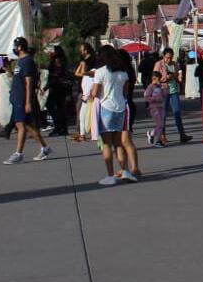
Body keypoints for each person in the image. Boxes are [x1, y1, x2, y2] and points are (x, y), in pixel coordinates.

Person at [91, 45, 140, 186]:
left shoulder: (100, 72)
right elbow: (125, 93)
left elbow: (95, 93)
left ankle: (110, 175)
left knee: (106, 144)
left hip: (106, 108)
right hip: (120, 109)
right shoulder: (123, 72)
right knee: (118, 143)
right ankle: (125, 170)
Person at [3, 37, 52, 165]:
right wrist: (8, 70)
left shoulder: (27, 62)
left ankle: (18, 153)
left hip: (22, 99)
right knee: (29, 126)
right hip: (17, 98)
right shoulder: (21, 61)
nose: (14, 49)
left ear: (19, 47)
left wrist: (28, 102)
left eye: (15, 46)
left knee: (20, 125)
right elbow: (19, 79)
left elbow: (28, 83)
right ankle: (45, 148)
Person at [152, 48, 192, 143]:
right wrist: (165, 77)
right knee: (163, 115)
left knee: (177, 113)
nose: (169, 60)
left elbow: (178, 75)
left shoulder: (175, 64)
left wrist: (179, 77)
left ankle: (182, 134)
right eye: (167, 58)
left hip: (174, 91)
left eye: (170, 58)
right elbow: (154, 79)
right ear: (163, 56)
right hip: (163, 91)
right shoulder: (159, 64)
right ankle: (162, 135)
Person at [45, 46, 71, 136]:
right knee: (60, 108)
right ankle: (62, 128)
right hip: (61, 87)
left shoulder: (56, 60)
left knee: (50, 105)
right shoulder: (63, 60)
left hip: (56, 87)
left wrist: (46, 86)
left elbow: (56, 75)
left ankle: (58, 126)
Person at [72, 43, 95, 142]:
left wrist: (82, 65)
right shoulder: (86, 61)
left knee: (87, 114)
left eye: (82, 50)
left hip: (89, 92)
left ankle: (87, 133)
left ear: (86, 50)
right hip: (86, 92)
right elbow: (78, 74)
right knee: (82, 114)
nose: (81, 52)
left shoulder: (90, 62)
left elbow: (79, 73)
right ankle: (82, 134)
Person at [144, 71, 168, 147]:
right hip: (154, 108)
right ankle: (158, 142)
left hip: (161, 107)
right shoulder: (150, 87)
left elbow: (164, 96)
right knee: (160, 124)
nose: (158, 80)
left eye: (159, 79)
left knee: (160, 125)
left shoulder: (160, 86)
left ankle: (152, 134)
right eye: (157, 78)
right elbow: (146, 97)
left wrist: (164, 89)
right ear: (153, 78)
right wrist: (155, 99)